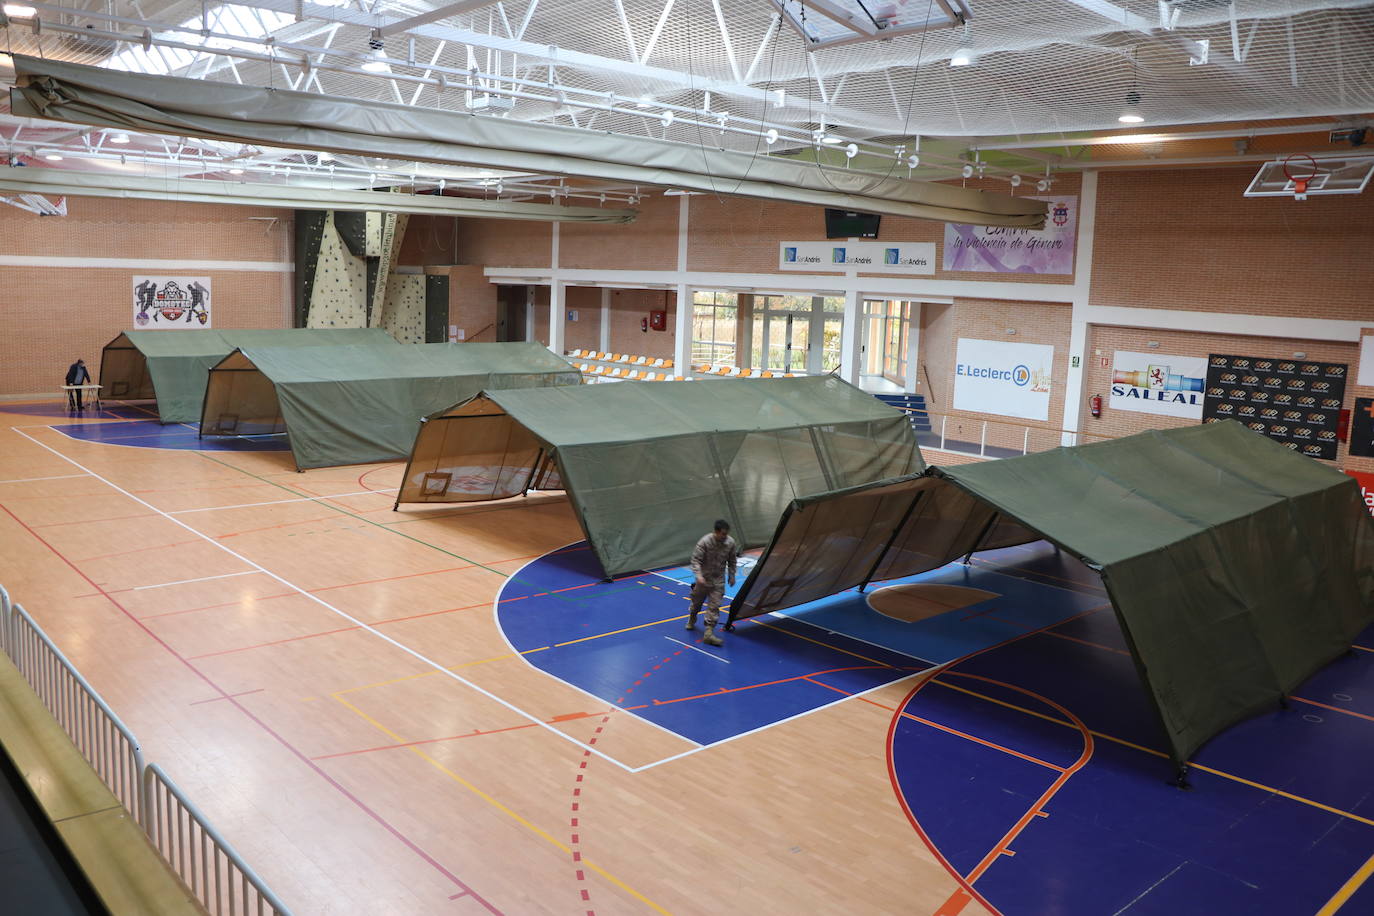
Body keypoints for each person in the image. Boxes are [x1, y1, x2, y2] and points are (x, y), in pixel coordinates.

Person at [686, 519, 739, 648]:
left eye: (726, 534)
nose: (724, 536)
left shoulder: (730, 543)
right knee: (696, 603)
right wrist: (698, 576)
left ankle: (708, 633)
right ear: (715, 532)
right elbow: (695, 560)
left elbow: (732, 560)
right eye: (722, 534)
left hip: (718, 580)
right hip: (703, 579)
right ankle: (692, 617)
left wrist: (731, 576)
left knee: (715, 606)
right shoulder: (705, 542)